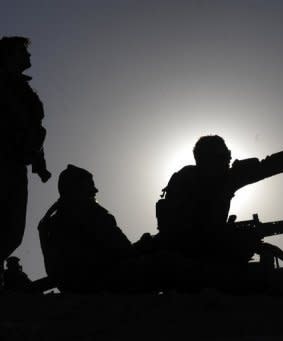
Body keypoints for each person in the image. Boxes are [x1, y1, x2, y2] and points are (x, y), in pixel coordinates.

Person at [156, 131, 283, 289]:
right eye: (224, 155)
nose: (229, 159)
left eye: (228, 154)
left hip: (204, 249)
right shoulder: (185, 181)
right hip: (181, 251)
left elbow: (268, 166)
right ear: (206, 159)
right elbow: (178, 228)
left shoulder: (226, 179)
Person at [38, 165, 183, 293]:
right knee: (168, 263)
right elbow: (122, 250)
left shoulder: (51, 219)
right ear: (78, 188)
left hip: (76, 283)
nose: (95, 190)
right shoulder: (88, 211)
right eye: (90, 185)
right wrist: (146, 244)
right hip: (99, 282)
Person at [0, 36, 51, 287]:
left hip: (16, 163)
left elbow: (32, 128)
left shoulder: (22, 89)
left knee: (12, 231)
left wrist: (39, 163)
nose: (28, 56)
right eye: (23, 52)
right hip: (4, 160)